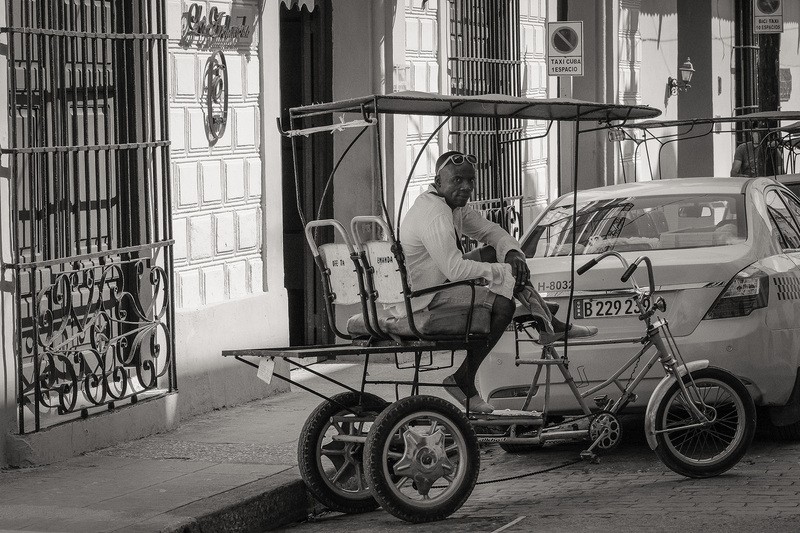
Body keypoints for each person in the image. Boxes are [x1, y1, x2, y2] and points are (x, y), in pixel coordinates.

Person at [399, 150, 597, 414]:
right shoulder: (435, 213)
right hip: (428, 295)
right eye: (457, 180)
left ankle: (545, 319)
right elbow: (456, 269)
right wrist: (501, 272)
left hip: (441, 279)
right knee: (503, 305)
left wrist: (513, 253)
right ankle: (463, 379)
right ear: (438, 180)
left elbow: (491, 231)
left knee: (499, 253)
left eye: (470, 181)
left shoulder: (453, 207)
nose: (466, 187)